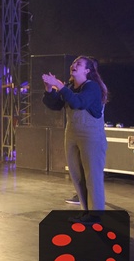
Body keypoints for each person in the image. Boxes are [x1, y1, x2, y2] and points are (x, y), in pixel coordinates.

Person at [42, 56, 108, 221]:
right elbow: (55, 105)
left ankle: (95, 214)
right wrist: (50, 89)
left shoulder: (92, 87)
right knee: (77, 176)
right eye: (73, 63)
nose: (73, 65)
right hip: (71, 134)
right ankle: (87, 212)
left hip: (91, 135)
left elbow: (80, 103)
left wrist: (60, 86)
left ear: (87, 70)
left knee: (92, 175)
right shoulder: (71, 87)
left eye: (78, 64)